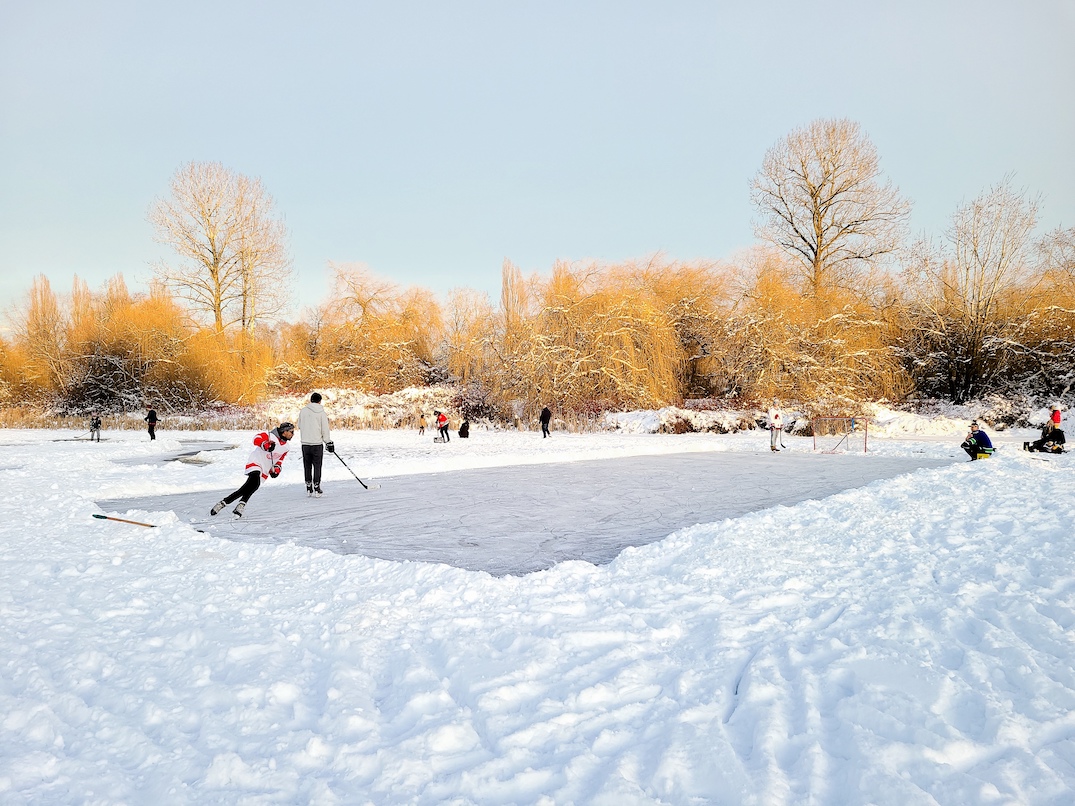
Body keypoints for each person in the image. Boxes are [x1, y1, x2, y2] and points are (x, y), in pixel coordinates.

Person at [211, 422, 294, 518]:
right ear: (284, 432)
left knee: (253, 486)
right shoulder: (269, 436)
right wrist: (265, 444)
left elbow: (279, 460)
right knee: (254, 482)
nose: (293, 434)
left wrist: (276, 469)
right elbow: (256, 438)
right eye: (291, 432)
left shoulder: (286, 447)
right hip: (256, 462)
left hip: (265, 468)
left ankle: (226, 503)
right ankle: (236, 505)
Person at [297, 392, 333, 497]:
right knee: (317, 466)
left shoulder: (303, 411)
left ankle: (309, 487)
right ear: (319, 401)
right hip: (317, 444)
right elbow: (324, 429)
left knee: (307, 466)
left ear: (310, 400)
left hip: (305, 444)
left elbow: (299, 425)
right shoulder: (321, 413)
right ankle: (317, 487)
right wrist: (328, 441)